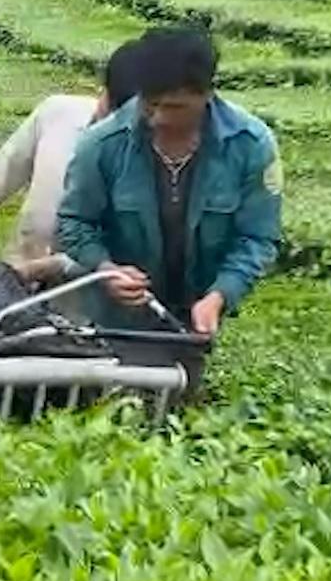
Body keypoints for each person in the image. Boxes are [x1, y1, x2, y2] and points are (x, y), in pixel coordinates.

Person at [55, 26, 283, 384]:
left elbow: (256, 238)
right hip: (118, 322)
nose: (159, 117)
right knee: (122, 401)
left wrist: (220, 295)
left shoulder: (249, 145)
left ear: (206, 93)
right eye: (151, 104)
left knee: (179, 397)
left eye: (174, 106)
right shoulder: (102, 144)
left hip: (193, 318)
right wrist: (106, 268)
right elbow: (75, 223)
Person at [0, 38, 152, 286]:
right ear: (105, 90)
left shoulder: (151, 162)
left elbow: (131, 250)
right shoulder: (58, 113)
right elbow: (5, 171)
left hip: (83, 297)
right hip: (19, 270)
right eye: (109, 113)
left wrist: (55, 267)